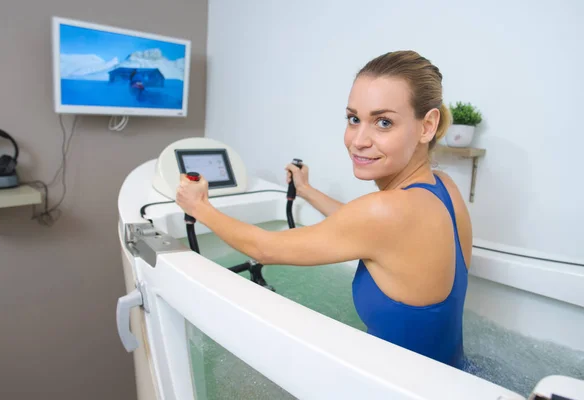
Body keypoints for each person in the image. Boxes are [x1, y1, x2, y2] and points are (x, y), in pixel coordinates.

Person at [175, 50, 472, 369]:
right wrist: (305, 190)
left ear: (427, 126)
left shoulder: (385, 212)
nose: (358, 140)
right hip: (456, 376)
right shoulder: (444, 188)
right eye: (354, 118)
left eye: (383, 122)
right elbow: (368, 228)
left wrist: (199, 206)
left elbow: (264, 248)